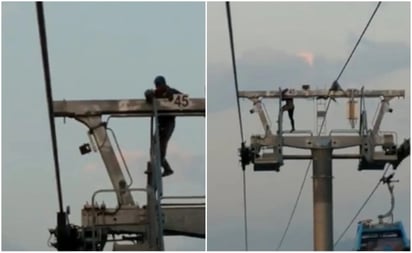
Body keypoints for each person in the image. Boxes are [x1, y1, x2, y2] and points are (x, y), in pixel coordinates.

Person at [145, 75, 182, 177]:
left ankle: (163, 166)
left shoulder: (171, 91)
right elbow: (148, 94)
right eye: (156, 86)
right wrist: (148, 94)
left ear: (164, 84)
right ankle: (164, 167)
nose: (158, 88)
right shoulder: (156, 94)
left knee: (162, 145)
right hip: (160, 123)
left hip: (169, 122)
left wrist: (174, 97)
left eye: (159, 85)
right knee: (153, 146)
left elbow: (185, 101)